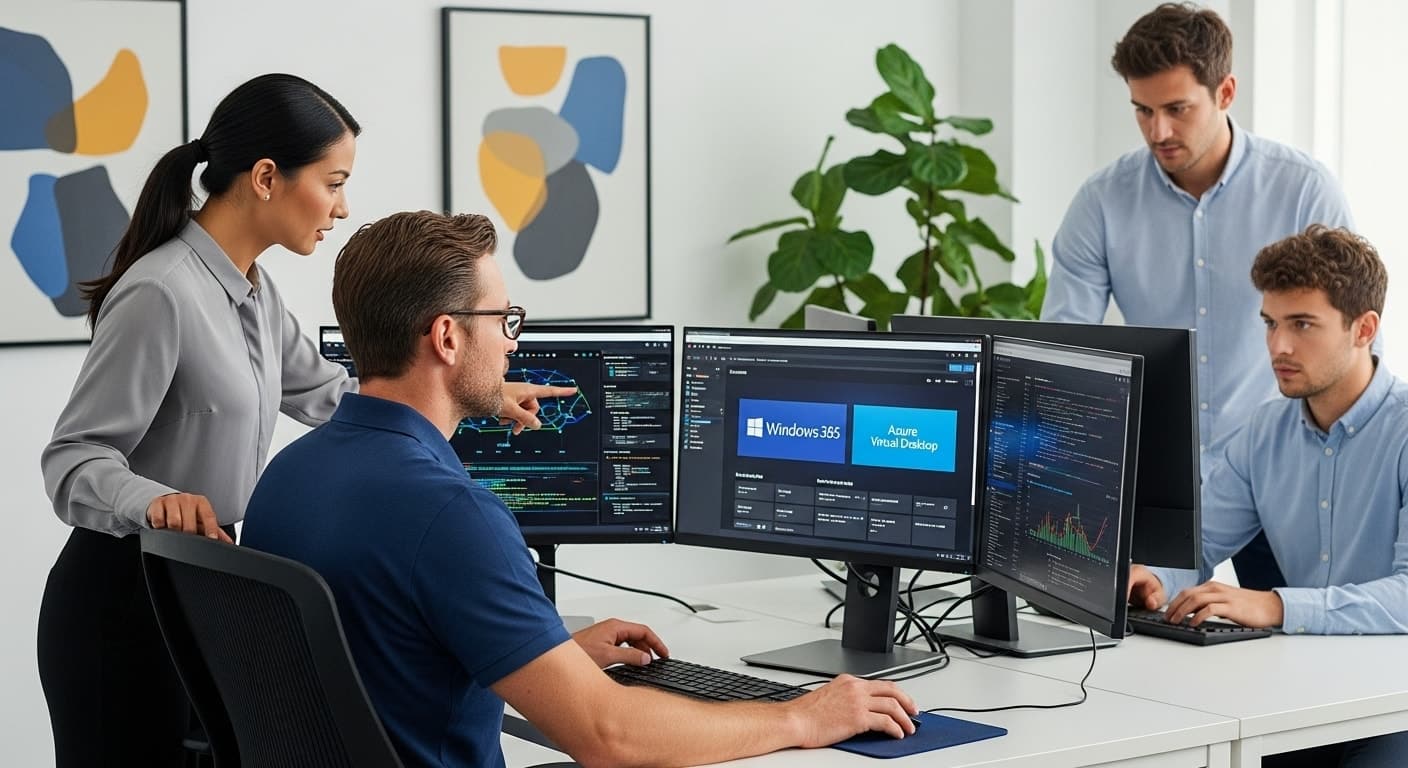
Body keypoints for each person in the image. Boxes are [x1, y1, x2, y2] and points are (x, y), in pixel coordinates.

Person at [241, 211, 920, 768]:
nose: (511, 345)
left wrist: (544, 653)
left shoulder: (287, 477)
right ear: (447, 337)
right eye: (503, 320)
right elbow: (608, 735)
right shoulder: (451, 514)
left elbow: (380, 651)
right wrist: (802, 715)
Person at [37, 76, 559, 767]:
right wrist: (156, 501)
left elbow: (329, 393)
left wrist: (478, 389)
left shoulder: (253, 289)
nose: (343, 207)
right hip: (122, 603)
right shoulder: (161, 293)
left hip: (200, 594)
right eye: (333, 181)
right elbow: (72, 459)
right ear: (264, 178)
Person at [1129, 225, 1408, 767]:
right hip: (1299, 698)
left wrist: (1277, 605)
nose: (1279, 346)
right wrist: (1156, 578)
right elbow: (1199, 543)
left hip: (1395, 704)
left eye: (1303, 324)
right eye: (1271, 323)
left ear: (1364, 329)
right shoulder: (1264, 433)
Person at [1042, 3, 1355, 465]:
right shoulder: (1101, 202)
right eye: (1143, 110)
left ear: (1225, 92)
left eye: (1176, 108)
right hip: (1157, 468)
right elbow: (1063, 350)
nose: (1158, 131)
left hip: (1282, 468)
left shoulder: (1303, 190)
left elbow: (1352, 345)